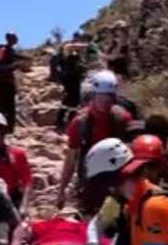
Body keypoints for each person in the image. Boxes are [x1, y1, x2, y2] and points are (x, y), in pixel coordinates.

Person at [56, 70, 135, 213]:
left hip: (118, 180)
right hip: (90, 180)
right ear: (93, 96)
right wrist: (62, 190)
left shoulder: (123, 118)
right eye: (102, 97)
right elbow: (71, 158)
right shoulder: (80, 123)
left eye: (109, 98)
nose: (106, 102)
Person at [0, 111, 33, 215]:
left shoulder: (17, 154)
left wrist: (24, 205)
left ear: (4, 133)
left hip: (12, 198)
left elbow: (27, 181)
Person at [0, 32, 30, 131]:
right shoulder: (3, 50)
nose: (17, 39)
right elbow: (0, 66)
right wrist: (15, 65)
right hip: (3, 82)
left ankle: (9, 128)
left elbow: (15, 56)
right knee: (4, 105)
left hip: (9, 82)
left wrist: (26, 58)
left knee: (10, 106)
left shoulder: (10, 50)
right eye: (15, 37)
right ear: (10, 39)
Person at [53, 36, 88, 132]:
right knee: (67, 100)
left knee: (74, 102)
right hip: (69, 79)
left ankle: (70, 120)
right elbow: (70, 47)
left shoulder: (75, 54)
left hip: (75, 80)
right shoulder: (67, 50)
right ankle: (61, 121)